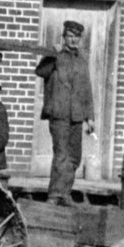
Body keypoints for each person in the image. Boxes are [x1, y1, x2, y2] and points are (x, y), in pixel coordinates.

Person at [35, 21, 96, 201]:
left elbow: (87, 91)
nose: (73, 40)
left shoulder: (82, 62)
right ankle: (54, 194)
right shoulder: (56, 56)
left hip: (77, 116)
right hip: (59, 115)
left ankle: (65, 193)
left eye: (76, 37)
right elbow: (41, 71)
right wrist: (52, 54)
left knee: (74, 157)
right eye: (70, 36)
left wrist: (90, 117)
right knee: (61, 155)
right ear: (64, 37)